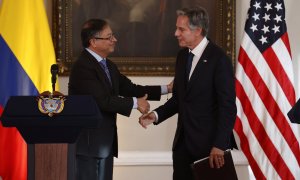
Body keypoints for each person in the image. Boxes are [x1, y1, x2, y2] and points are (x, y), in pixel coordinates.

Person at [139, 7, 237, 180]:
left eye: (181, 29)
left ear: (198, 30)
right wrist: (155, 115)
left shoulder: (219, 59)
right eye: (177, 28)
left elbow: (227, 106)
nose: (176, 33)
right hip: (183, 146)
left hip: (210, 148)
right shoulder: (183, 57)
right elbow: (180, 99)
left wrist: (219, 145)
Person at [68, 19, 172, 180]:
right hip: (88, 147)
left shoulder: (108, 65)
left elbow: (132, 88)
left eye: (113, 36)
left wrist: (167, 89)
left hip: (105, 145)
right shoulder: (82, 67)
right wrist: (136, 103)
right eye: (109, 37)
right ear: (93, 42)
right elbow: (102, 100)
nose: (114, 40)